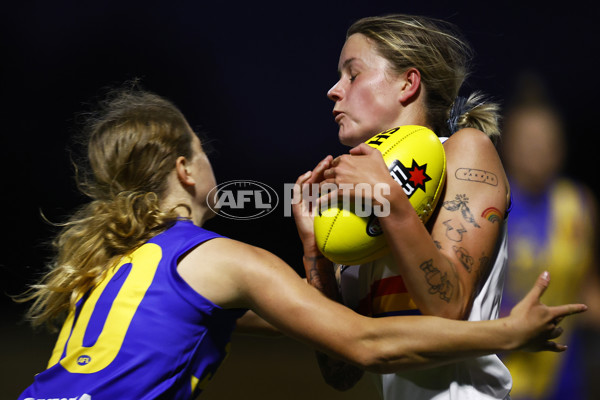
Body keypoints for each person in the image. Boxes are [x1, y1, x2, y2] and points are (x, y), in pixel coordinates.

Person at [16, 86, 585, 400]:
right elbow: (362, 343)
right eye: (204, 149)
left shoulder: (117, 263)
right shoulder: (220, 259)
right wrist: (507, 332)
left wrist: (316, 259)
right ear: (187, 171)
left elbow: (313, 323)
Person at [293, 14, 517, 399]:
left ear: (407, 84)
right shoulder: (351, 208)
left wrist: (388, 199)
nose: (334, 90)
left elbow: (448, 309)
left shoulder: (464, 151)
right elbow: (341, 371)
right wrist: (316, 253)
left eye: (352, 74)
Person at [498, 72, 600, 400]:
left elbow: (586, 286)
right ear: (508, 145)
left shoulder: (579, 203)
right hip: (506, 375)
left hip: (566, 378)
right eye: (529, 139)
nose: (539, 148)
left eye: (547, 139)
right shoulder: (493, 203)